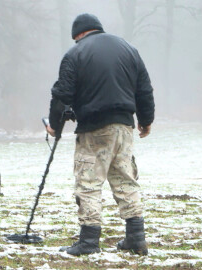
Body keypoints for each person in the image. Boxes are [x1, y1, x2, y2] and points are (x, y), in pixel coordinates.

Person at [45, 14, 155, 256]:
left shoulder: (75, 54)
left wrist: (55, 126)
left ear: (79, 35)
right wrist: (146, 120)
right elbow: (144, 88)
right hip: (125, 126)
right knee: (126, 181)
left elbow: (62, 94)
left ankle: (88, 242)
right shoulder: (129, 49)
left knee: (89, 184)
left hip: (94, 129)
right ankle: (136, 239)